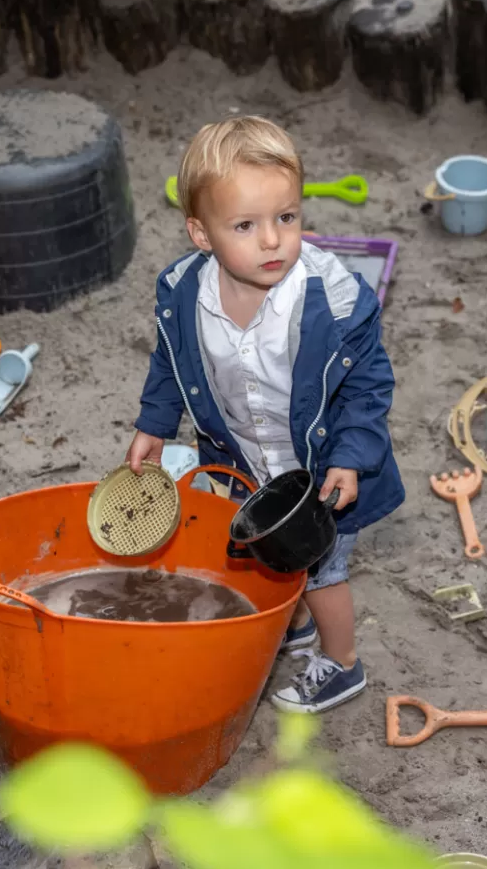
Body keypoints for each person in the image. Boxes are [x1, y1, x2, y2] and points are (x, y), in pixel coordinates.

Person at [126, 115, 404, 713]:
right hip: (243, 459)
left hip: (321, 472)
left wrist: (351, 458)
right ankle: (295, 627)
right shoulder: (183, 294)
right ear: (201, 233)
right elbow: (171, 360)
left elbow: (367, 388)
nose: (273, 240)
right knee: (269, 552)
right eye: (246, 225)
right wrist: (154, 424)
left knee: (321, 570)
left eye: (287, 217)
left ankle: (342, 662)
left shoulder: (335, 302)